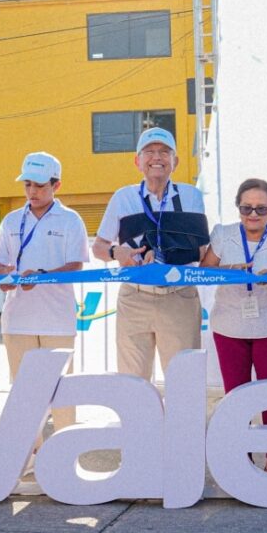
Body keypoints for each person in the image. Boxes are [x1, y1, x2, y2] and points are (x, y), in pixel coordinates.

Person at [201, 179, 267, 475]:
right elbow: (204, 273)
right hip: (229, 327)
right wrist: (229, 272)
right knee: (236, 397)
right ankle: (241, 462)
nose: (253, 214)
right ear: (238, 208)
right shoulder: (223, 235)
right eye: (246, 208)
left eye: (260, 208)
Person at [92, 127, 208, 380]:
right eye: (150, 152)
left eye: (165, 152)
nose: (157, 157)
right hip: (134, 297)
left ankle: (183, 422)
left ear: (175, 161)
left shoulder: (191, 196)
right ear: (138, 161)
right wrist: (117, 252)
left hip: (179, 296)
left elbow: (201, 251)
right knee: (133, 382)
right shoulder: (123, 197)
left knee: (184, 380)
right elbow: (98, 247)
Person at [0, 152, 89, 436]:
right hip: (18, 320)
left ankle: (66, 457)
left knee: (62, 395)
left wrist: (43, 277)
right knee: (23, 396)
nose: (32, 191)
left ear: (56, 186)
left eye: (40, 185)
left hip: (57, 320)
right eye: (27, 185)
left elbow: (76, 265)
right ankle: (27, 458)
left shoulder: (71, 220)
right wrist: (4, 277)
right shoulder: (11, 220)